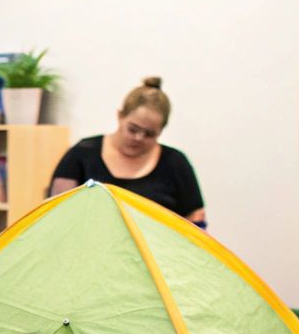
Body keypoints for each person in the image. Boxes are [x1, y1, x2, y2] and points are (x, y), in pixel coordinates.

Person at [48, 77, 206, 226]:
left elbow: (196, 223)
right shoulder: (82, 154)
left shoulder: (175, 163)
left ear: (161, 130)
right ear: (120, 116)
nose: (138, 138)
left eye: (149, 134)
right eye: (133, 129)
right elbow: (57, 214)